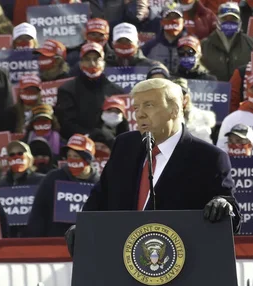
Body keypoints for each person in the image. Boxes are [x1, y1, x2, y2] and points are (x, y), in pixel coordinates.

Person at [65, 78, 242, 255]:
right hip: (120, 260)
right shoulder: (125, 145)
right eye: (136, 108)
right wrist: (82, 227)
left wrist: (223, 204)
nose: (139, 114)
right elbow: (100, 197)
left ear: (174, 110)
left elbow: (229, 213)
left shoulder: (209, 158)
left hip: (182, 264)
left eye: (148, 105)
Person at [26, 134, 100, 237]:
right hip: (55, 242)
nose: (72, 160)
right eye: (69, 156)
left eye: (76, 156)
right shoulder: (53, 178)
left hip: (88, 243)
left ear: (87, 159)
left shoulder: (99, 183)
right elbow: (38, 211)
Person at [54, 41, 124, 140]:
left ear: (103, 62)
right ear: (81, 63)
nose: (92, 63)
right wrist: (90, 136)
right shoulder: (67, 90)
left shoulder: (117, 92)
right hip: (79, 145)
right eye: (87, 59)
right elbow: (66, 124)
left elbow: (123, 125)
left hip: (111, 145)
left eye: (96, 59)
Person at [201, 2, 253, 82]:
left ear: (239, 20)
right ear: (218, 19)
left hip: (240, 92)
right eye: (224, 19)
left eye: (233, 19)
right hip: (213, 92)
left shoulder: (250, 43)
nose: (228, 22)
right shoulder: (204, 45)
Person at [141, 2, 188, 71]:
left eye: (176, 17)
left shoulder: (191, 45)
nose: (173, 20)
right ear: (161, 22)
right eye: (168, 17)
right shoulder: (149, 46)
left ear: (183, 22)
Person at [172, 78, 216, 143]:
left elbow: (206, 144)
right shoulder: (164, 116)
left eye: (182, 93)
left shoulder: (202, 117)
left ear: (187, 96)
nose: (180, 97)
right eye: (175, 94)